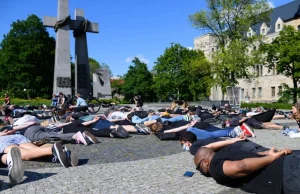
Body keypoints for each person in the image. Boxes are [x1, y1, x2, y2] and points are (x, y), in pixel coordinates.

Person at [194, 142, 300, 193]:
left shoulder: (214, 167)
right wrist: (269, 153)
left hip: (285, 174)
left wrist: (270, 158)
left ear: (205, 161)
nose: (200, 171)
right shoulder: (225, 153)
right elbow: (254, 154)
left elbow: (240, 166)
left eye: (199, 167)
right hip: (288, 162)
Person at [0, 130, 78, 168]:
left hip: (1, 140)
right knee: (35, 152)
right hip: (15, 136)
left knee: (24, 154)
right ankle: (63, 153)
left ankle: (52, 149)